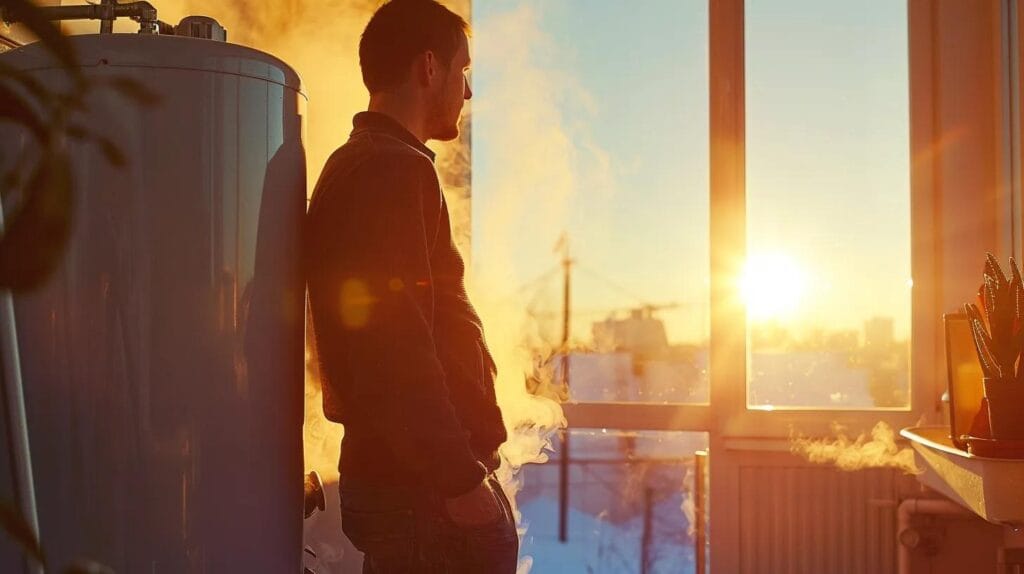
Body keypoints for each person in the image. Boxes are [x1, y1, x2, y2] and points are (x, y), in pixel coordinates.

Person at [304, 1, 517, 572]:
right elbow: (393, 347)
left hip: (417, 488)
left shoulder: (371, 163)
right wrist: (457, 480)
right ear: (429, 67)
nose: (468, 92)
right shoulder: (389, 169)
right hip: (421, 494)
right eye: (463, 71)